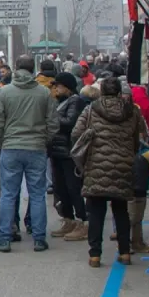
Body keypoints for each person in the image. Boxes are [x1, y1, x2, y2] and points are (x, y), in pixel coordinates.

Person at [72, 77, 146, 267]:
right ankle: (125, 252)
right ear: (120, 92)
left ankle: (95, 255)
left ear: (101, 92)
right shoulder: (132, 111)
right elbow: (139, 137)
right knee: (121, 210)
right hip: (123, 165)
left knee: (96, 211)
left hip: (96, 165)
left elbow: (76, 133)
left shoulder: (91, 109)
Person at [0, 55, 60, 253]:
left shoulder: (5, 92)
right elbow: (53, 123)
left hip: (11, 147)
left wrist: (3, 141)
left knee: (8, 194)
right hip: (36, 147)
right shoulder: (44, 93)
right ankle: (39, 238)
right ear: (33, 68)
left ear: (16, 68)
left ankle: (4, 238)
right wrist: (44, 140)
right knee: (37, 194)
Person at [48, 73, 90, 242]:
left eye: (58, 86)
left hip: (68, 151)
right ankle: (68, 219)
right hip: (57, 150)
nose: (56, 89)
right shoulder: (60, 102)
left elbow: (70, 123)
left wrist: (52, 116)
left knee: (73, 187)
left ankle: (82, 221)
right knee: (60, 188)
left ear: (67, 87)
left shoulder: (75, 101)